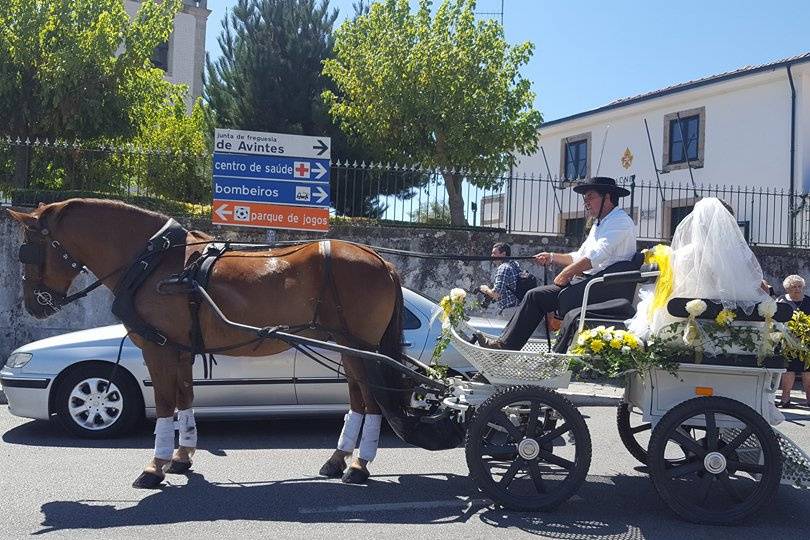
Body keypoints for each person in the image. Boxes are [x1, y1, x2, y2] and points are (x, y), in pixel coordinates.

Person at [476, 177, 636, 350]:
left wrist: (566, 273)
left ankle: (503, 346)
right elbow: (580, 256)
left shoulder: (619, 221)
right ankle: (503, 344)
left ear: (608, 197)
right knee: (535, 296)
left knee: (535, 296)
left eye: (590, 197)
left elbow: (596, 256)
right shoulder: (600, 224)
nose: (586, 202)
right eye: (584, 198)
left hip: (604, 288)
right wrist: (551, 256)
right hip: (590, 283)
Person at [777, 275, 810, 408]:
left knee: (807, 370)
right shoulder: (781, 301)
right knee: (788, 369)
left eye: (799, 286)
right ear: (787, 288)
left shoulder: (808, 301)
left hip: (807, 341)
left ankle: (809, 400)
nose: (797, 289)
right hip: (787, 341)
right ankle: (785, 399)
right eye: (793, 287)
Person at [478, 242, 520, 317]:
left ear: (503, 254)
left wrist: (485, 289)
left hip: (509, 310)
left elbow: (496, 295)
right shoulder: (514, 264)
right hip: (518, 308)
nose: (492, 256)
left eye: (494, 253)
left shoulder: (503, 268)